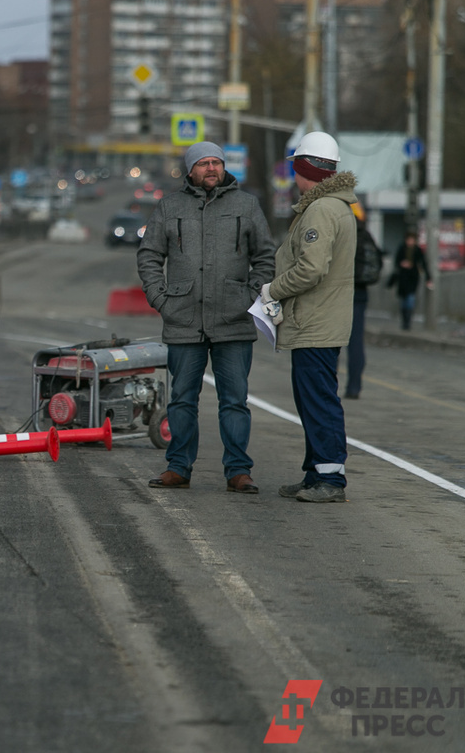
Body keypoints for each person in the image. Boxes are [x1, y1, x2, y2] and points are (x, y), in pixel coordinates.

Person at [137, 141, 276, 493]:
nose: (211, 168)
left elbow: (265, 257)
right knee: (182, 398)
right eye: (203, 163)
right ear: (190, 170)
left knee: (235, 400)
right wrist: (160, 299)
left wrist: (250, 296)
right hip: (183, 319)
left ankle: (238, 471)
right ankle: (178, 467)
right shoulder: (170, 206)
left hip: (234, 320)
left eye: (216, 162)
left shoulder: (247, 205)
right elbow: (149, 255)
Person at [264, 131, 357, 504]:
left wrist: (272, 290)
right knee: (312, 399)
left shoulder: (320, 210)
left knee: (318, 401)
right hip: (321, 321)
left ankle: (330, 480)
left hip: (315, 323)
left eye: (295, 169)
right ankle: (315, 471)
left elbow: (311, 269)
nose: (292, 178)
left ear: (306, 170)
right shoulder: (338, 206)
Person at [344, 204, 383, 398]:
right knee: (356, 341)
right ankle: (354, 387)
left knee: (331, 340)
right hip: (360, 293)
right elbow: (379, 262)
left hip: (340, 293)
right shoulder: (367, 236)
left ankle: (328, 386)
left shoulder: (342, 233)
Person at [387, 229, 433, 331]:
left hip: (413, 278)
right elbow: (396, 262)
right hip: (403, 278)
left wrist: (428, 278)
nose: (410, 242)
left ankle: (407, 322)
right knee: (403, 301)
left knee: (410, 300)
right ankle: (405, 322)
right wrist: (402, 264)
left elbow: (423, 264)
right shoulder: (401, 249)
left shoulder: (417, 250)